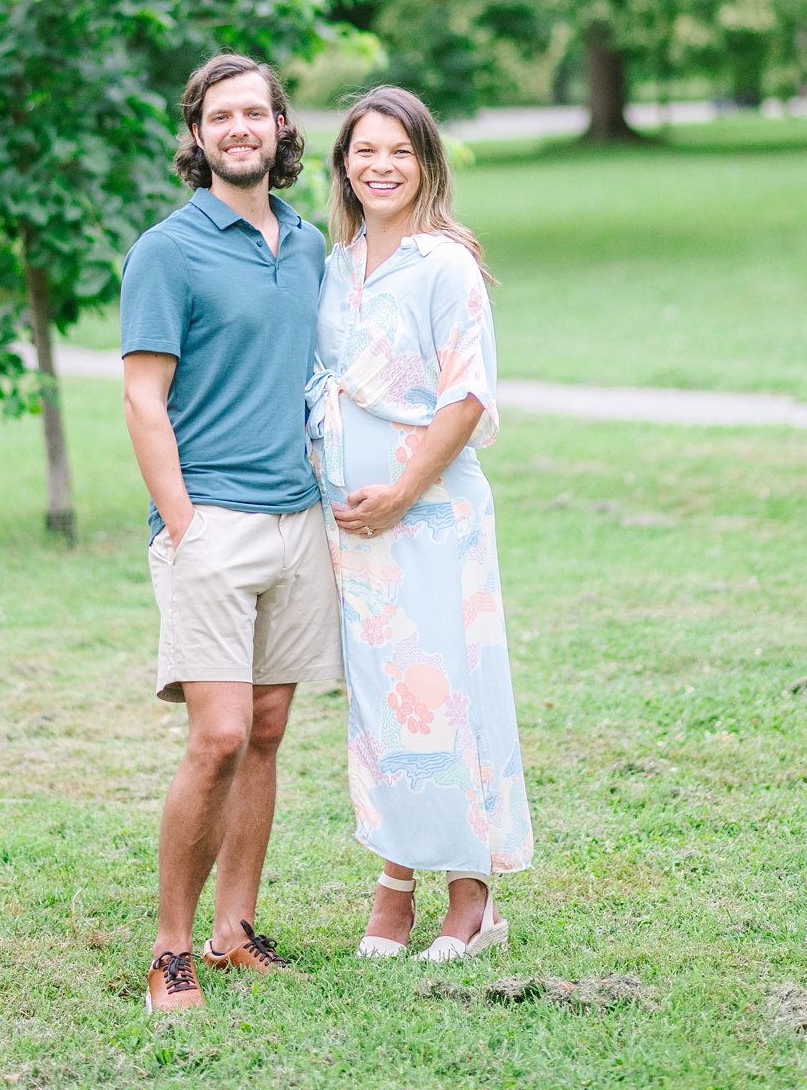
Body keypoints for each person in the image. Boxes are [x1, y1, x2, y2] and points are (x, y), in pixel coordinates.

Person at [120, 54, 340, 1015]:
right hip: (213, 523)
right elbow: (142, 396)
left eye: (257, 112)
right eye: (222, 115)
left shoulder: (309, 243)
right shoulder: (167, 250)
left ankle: (233, 932)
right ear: (199, 134)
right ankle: (171, 948)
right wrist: (182, 522)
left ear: (281, 127)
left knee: (267, 730)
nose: (240, 127)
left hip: (300, 523)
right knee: (215, 736)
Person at [308, 85, 533, 960]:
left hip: (432, 519)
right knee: (381, 705)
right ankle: (395, 878)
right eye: (365, 150)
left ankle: (471, 893)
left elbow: (468, 395)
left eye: (399, 152)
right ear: (343, 165)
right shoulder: (336, 266)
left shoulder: (444, 265)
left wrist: (400, 492)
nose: (380, 166)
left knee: (450, 692)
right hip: (354, 533)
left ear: (427, 164)